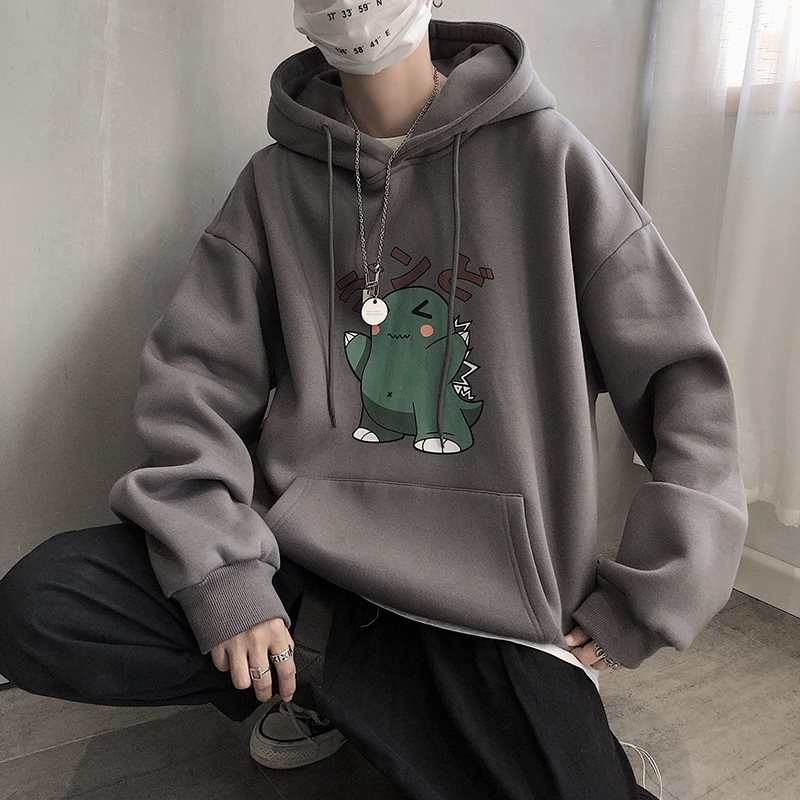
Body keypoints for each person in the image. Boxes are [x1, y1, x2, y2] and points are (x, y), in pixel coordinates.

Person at [0, 2, 749, 798]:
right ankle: (351, 692)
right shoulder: (273, 184)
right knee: (43, 605)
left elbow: (684, 384)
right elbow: (195, 388)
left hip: (485, 606)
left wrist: (653, 590)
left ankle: (340, 691)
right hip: (302, 573)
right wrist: (227, 575)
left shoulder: (552, 161)